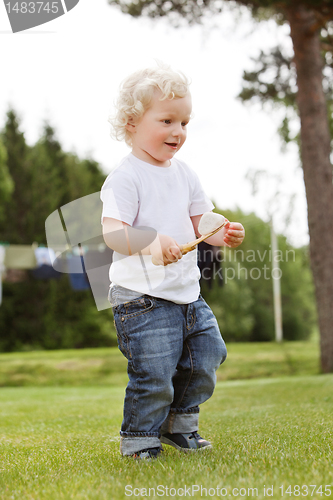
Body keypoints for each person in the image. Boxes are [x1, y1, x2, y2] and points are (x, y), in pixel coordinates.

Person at [100, 63, 245, 459]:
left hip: (186, 294)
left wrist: (224, 232)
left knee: (207, 357)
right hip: (142, 298)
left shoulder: (185, 174)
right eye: (167, 120)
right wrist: (149, 242)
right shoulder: (126, 178)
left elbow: (204, 224)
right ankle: (140, 439)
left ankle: (179, 427)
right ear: (132, 122)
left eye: (184, 122)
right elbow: (113, 233)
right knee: (155, 373)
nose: (178, 131)